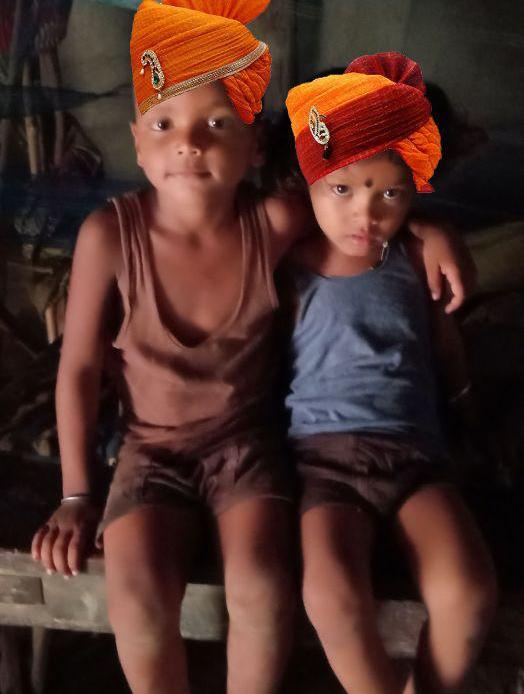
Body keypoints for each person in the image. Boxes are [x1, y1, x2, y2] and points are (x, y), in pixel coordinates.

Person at [30, 1, 473, 690]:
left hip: (247, 451)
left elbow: (360, 201)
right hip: (148, 453)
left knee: (264, 589)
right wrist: (77, 493)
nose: (189, 144)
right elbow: (80, 367)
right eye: (164, 124)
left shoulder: (276, 222)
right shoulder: (109, 236)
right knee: (136, 599)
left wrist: (429, 231)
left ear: (257, 144)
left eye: (217, 123)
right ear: (137, 140)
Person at [284, 52, 497, 694]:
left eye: (390, 193)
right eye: (342, 189)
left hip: (415, 459)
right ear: (308, 177)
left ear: (415, 190)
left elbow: (446, 347)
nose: (366, 214)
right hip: (323, 467)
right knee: (330, 595)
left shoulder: (415, 256)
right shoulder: (285, 265)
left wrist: (469, 413)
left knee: (468, 589)